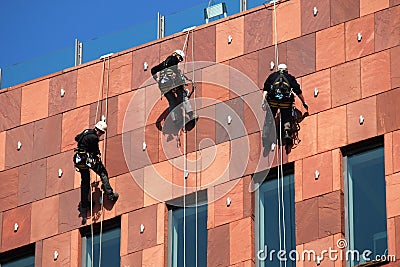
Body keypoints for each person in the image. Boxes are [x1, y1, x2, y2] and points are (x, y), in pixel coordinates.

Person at [73, 121, 118, 216]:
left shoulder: (87, 131)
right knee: (103, 173)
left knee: (85, 181)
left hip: (79, 160)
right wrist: (96, 154)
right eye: (101, 133)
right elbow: (95, 150)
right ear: (100, 131)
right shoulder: (94, 138)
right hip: (87, 160)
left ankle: (84, 204)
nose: (101, 135)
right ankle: (110, 195)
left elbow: (77, 138)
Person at [262, 63, 308, 143]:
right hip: (285, 102)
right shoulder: (290, 78)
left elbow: (266, 90)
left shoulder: (272, 77)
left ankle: (266, 132)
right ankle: (287, 131)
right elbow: (298, 91)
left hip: (273, 101)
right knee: (286, 116)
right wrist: (304, 102)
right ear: (286, 70)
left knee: (269, 116)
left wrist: (263, 102)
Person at [151, 49, 197, 124]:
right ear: (177, 55)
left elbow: (153, 70)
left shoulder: (163, 64)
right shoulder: (173, 58)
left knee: (172, 101)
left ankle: (175, 119)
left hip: (164, 86)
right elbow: (174, 69)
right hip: (172, 83)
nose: (179, 61)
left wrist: (157, 78)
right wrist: (181, 81)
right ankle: (191, 115)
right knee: (183, 97)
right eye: (180, 58)